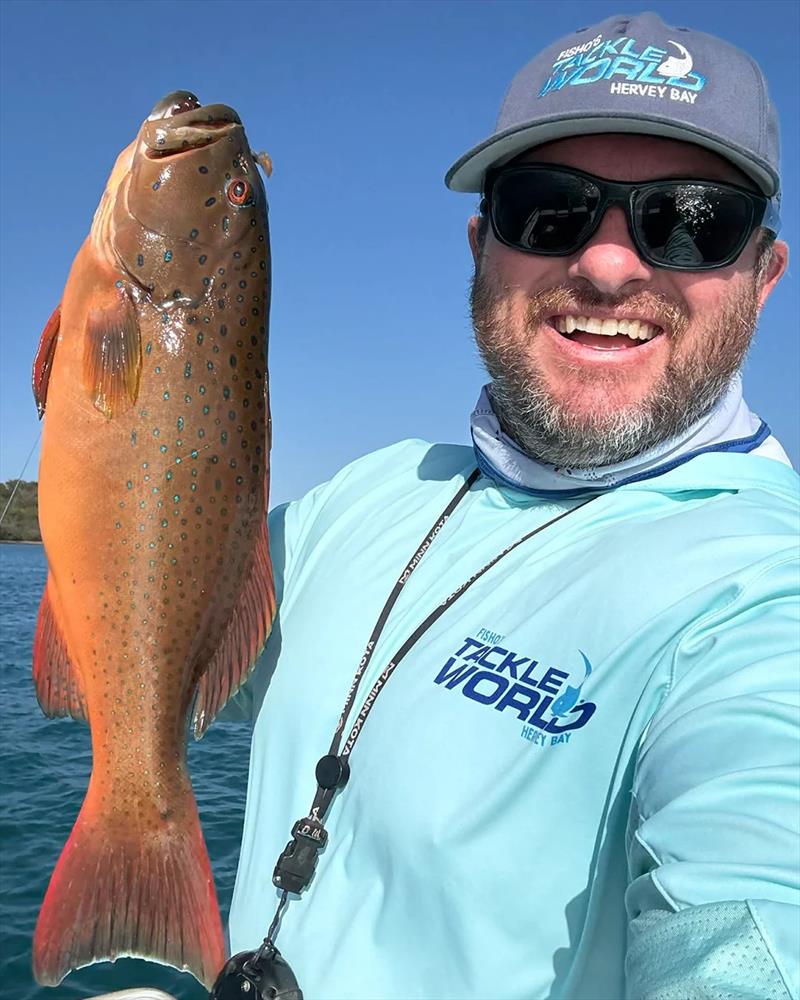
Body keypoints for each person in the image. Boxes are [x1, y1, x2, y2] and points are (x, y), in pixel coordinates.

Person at [221, 12, 799, 999]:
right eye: (548, 210)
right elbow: (141, 647)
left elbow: (751, 919)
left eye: (691, 220)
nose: (608, 264)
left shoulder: (764, 597)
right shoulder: (367, 492)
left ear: (762, 277)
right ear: (480, 246)